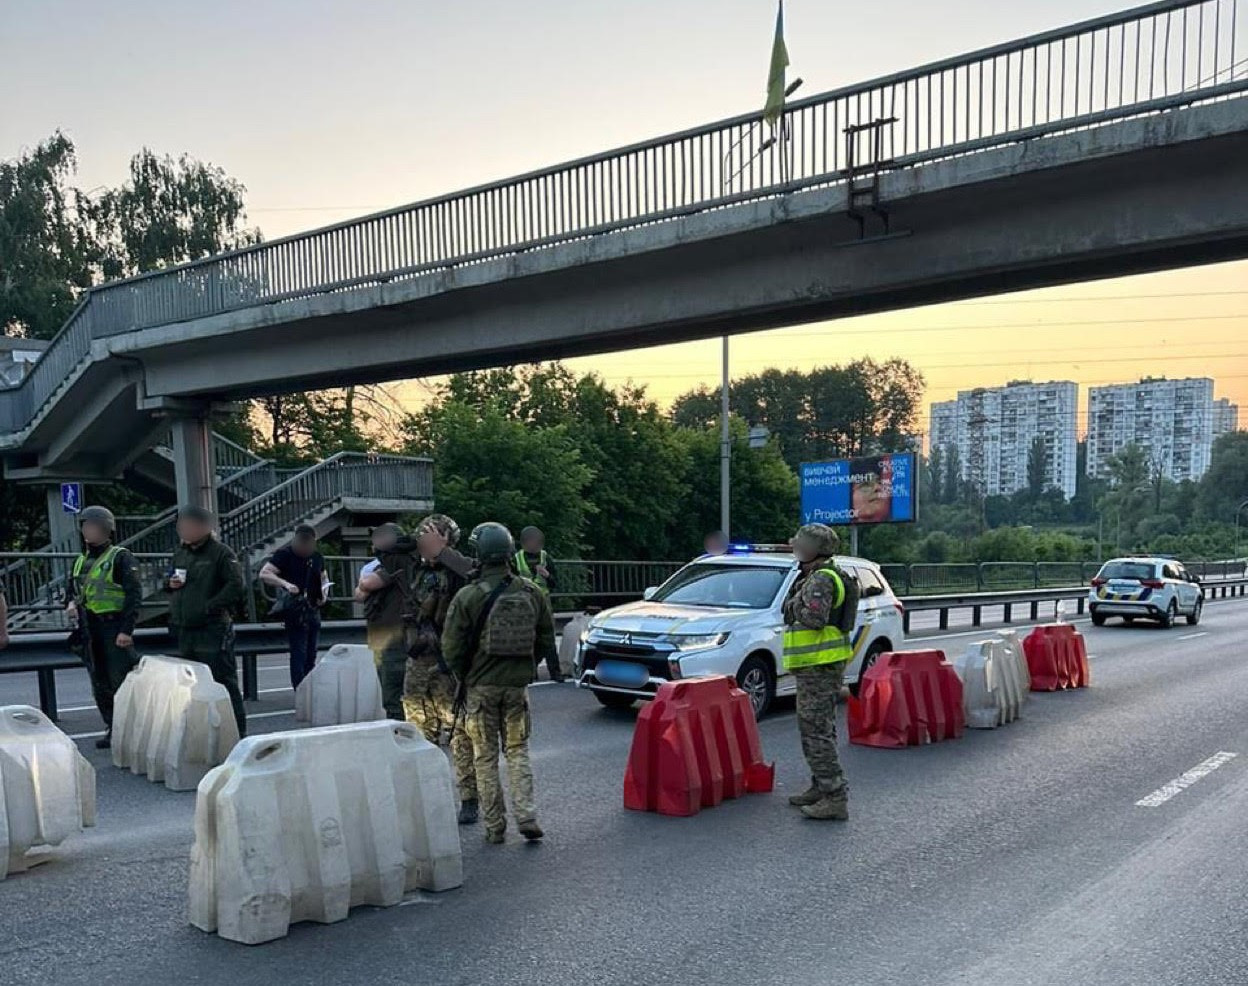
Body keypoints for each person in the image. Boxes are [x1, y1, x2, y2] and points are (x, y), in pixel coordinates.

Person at [361, 514, 479, 824]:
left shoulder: (457, 569)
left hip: (446, 664)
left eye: (431, 534)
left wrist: (442, 550)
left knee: (457, 732)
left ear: (446, 539)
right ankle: (426, 794)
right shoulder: (414, 564)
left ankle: (469, 796)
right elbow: (389, 554)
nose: (423, 539)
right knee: (417, 730)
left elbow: (473, 574)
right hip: (417, 660)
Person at [445, 522, 556, 845]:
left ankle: (495, 828)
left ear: (479, 554)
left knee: (485, 755)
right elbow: (546, 637)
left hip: (481, 688)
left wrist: (466, 676)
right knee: (518, 751)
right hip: (516, 688)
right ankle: (527, 816)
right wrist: (524, 667)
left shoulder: (468, 596)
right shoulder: (531, 591)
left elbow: (451, 648)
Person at [781, 523, 860, 822]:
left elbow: (813, 618)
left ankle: (834, 796)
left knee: (815, 730)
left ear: (811, 550)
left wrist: (793, 604)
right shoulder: (821, 574)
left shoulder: (822, 579)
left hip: (820, 665)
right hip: (820, 665)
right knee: (820, 728)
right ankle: (820, 785)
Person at [65, 506, 141, 749]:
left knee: (120, 680)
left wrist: (126, 630)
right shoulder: (80, 561)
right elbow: (72, 589)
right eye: (86, 526)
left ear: (107, 529)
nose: (89, 531)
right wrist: (69, 603)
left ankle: (131, 729)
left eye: (93, 526)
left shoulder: (120, 557)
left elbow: (133, 595)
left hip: (113, 625)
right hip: (90, 627)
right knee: (98, 681)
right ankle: (112, 726)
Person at [168, 506, 247, 737]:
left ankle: (237, 735)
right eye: (180, 525)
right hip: (185, 629)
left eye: (188, 524)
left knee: (222, 682)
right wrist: (169, 584)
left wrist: (209, 607)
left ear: (204, 527)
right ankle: (202, 734)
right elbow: (170, 579)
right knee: (193, 687)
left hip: (212, 629)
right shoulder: (181, 553)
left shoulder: (221, 553)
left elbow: (236, 586)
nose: (183, 529)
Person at [260, 524, 330, 689]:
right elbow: (265, 573)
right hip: (295, 608)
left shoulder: (317, 557)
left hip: (312, 607)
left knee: (311, 653)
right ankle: (299, 687)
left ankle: (309, 684)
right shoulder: (285, 555)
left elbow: (324, 577)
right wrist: (285, 584)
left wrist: (324, 594)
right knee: (299, 651)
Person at [353, 523, 406, 719]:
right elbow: (358, 594)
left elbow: (367, 584)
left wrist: (366, 585)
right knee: (385, 683)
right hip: (379, 633)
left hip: (395, 634)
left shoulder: (398, 562)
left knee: (394, 690)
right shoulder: (375, 565)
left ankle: (402, 732)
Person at [513, 526, 565, 682]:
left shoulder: (545, 558)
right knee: (526, 637)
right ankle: (530, 670)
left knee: (548, 637)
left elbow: (555, 583)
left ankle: (555, 672)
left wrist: (547, 575)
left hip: (543, 602)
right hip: (524, 601)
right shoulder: (516, 558)